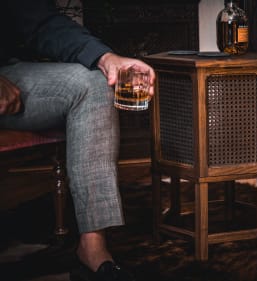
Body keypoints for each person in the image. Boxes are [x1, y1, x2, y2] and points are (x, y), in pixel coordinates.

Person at [0, 1, 155, 280]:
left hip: (6, 73)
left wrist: (107, 58)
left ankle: (92, 249)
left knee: (93, 85)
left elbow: (39, 22)